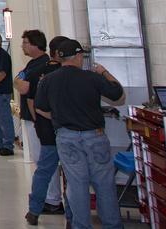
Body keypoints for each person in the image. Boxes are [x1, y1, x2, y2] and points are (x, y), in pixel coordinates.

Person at [34, 38, 125, 229]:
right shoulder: (92, 78)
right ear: (77, 56)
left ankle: (80, 226)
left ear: (59, 57)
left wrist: (59, 117)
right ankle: (112, 225)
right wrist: (104, 72)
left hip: (66, 137)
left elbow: (40, 107)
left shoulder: (48, 80)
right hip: (95, 136)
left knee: (76, 186)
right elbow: (117, 94)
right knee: (104, 185)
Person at [16, 30, 65, 222]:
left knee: (45, 163)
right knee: (42, 162)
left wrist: (40, 120)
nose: (23, 46)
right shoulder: (32, 65)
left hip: (41, 123)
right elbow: (19, 82)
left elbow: (26, 90)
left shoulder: (43, 68)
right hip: (37, 121)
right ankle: (49, 199)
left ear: (37, 44)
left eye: (26, 42)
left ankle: (52, 200)